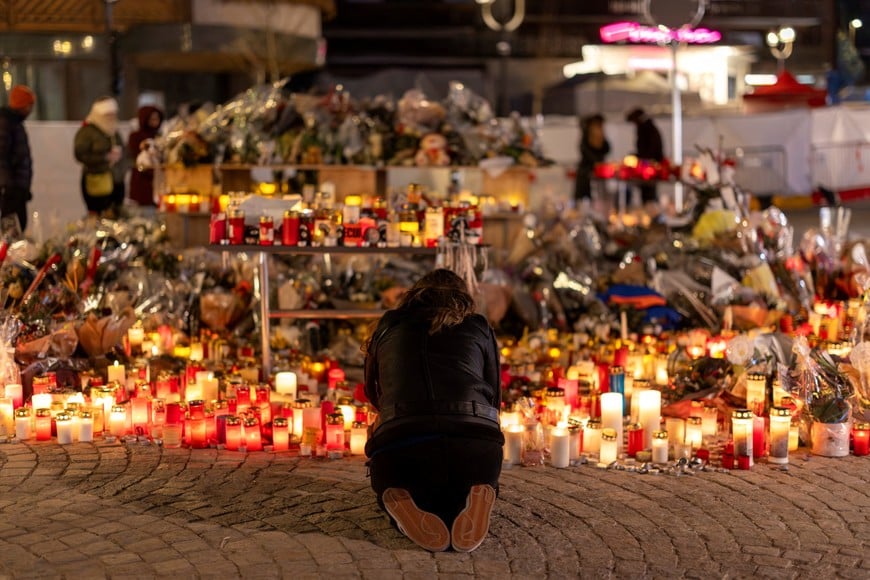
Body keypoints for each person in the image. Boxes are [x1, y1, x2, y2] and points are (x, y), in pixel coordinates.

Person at [363, 268, 504, 553]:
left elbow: (371, 390)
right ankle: (478, 489)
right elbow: (495, 397)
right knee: (464, 478)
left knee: (395, 479)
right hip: (477, 449)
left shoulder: (389, 323)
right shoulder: (478, 325)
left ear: (415, 294)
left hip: (401, 448)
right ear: (463, 298)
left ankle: (401, 500)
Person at [74, 96, 126, 218]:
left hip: (116, 179)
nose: (112, 118)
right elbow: (80, 154)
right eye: (108, 115)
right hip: (96, 180)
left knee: (115, 214)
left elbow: (124, 150)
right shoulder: (87, 131)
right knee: (97, 215)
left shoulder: (114, 131)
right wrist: (104, 157)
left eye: (113, 114)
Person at [0, 85, 35, 233]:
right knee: (12, 228)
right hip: (11, 188)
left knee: (17, 225)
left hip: (16, 187)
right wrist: (8, 185)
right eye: (30, 104)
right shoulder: (7, 123)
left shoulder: (14, 123)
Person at [127, 104, 164, 208]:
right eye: (152, 119)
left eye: (157, 119)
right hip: (142, 180)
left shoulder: (160, 136)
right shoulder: (136, 136)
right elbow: (136, 156)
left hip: (158, 178)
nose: (155, 122)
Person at [626, 107, 664, 204]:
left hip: (648, 169)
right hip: (649, 167)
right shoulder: (649, 128)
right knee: (648, 196)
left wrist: (638, 159)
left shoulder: (646, 129)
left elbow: (648, 152)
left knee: (648, 197)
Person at [574, 113, 611, 202]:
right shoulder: (586, 137)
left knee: (598, 199)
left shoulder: (600, 137)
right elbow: (587, 154)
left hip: (598, 174)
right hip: (586, 174)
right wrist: (598, 163)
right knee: (585, 200)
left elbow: (607, 149)